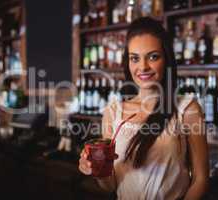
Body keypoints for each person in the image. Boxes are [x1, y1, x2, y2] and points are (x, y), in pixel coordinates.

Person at [79, 17, 209, 200]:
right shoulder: (113, 112)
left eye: (153, 56)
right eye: (135, 58)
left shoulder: (187, 109)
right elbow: (109, 186)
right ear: (128, 62)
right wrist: (96, 169)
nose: (143, 67)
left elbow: (201, 179)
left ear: (166, 59)